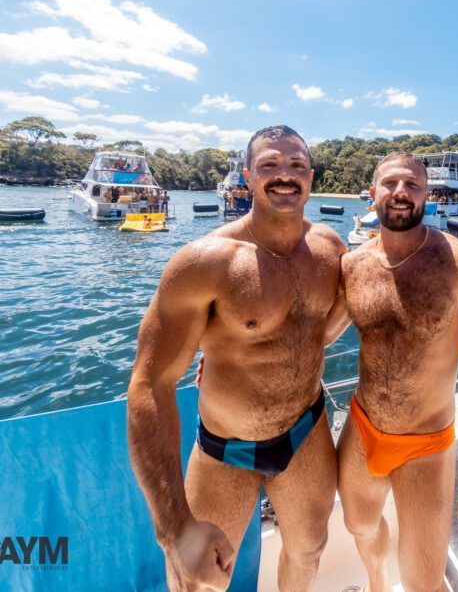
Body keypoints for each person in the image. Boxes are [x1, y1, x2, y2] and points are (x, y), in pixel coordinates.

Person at [127, 125, 348, 592]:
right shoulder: (205, 263)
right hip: (226, 448)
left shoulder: (330, 250)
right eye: (268, 165)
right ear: (247, 177)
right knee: (196, 579)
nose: (284, 175)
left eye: (296, 166)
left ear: (311, 176)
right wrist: (173, 527)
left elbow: (327, 327)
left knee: (307, 551)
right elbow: (151, 384)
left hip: (306, 434)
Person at [338, 152, 458, 592]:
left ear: (426, 194)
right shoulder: (353, 267)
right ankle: (378, 586)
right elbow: (313, 332)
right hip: (362, 433)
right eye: (390, 183)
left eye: (413, 185)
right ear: (373, 192)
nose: (401, 192)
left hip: (427, 445)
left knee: (423, 581)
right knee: (359, 527)